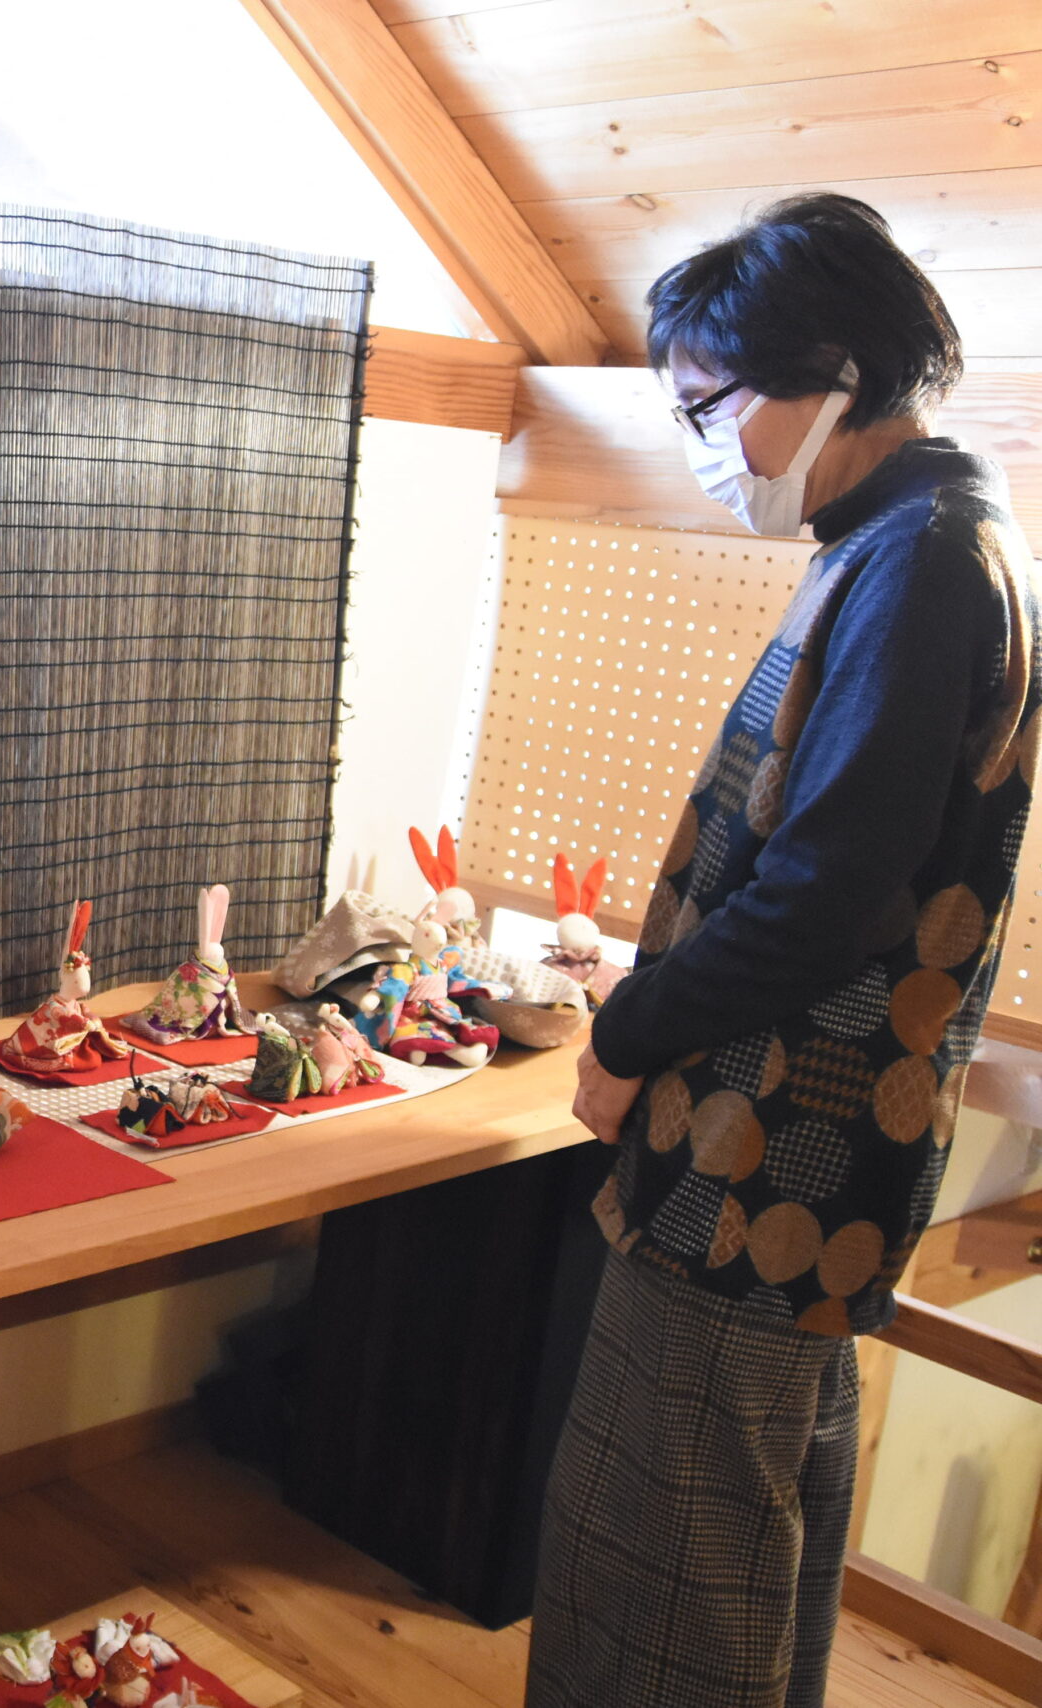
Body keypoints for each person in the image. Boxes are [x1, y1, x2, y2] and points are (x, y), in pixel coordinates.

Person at [526, 195, 1039, 1708]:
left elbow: (825, 895)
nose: (705, 447)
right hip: (805, 1160)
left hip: (769, 1157)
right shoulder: (914, 535)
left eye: (713, 404)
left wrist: (626, 1033)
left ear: (832, 374)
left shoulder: (924, 562)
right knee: (750, 1534)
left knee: (665, 1558)